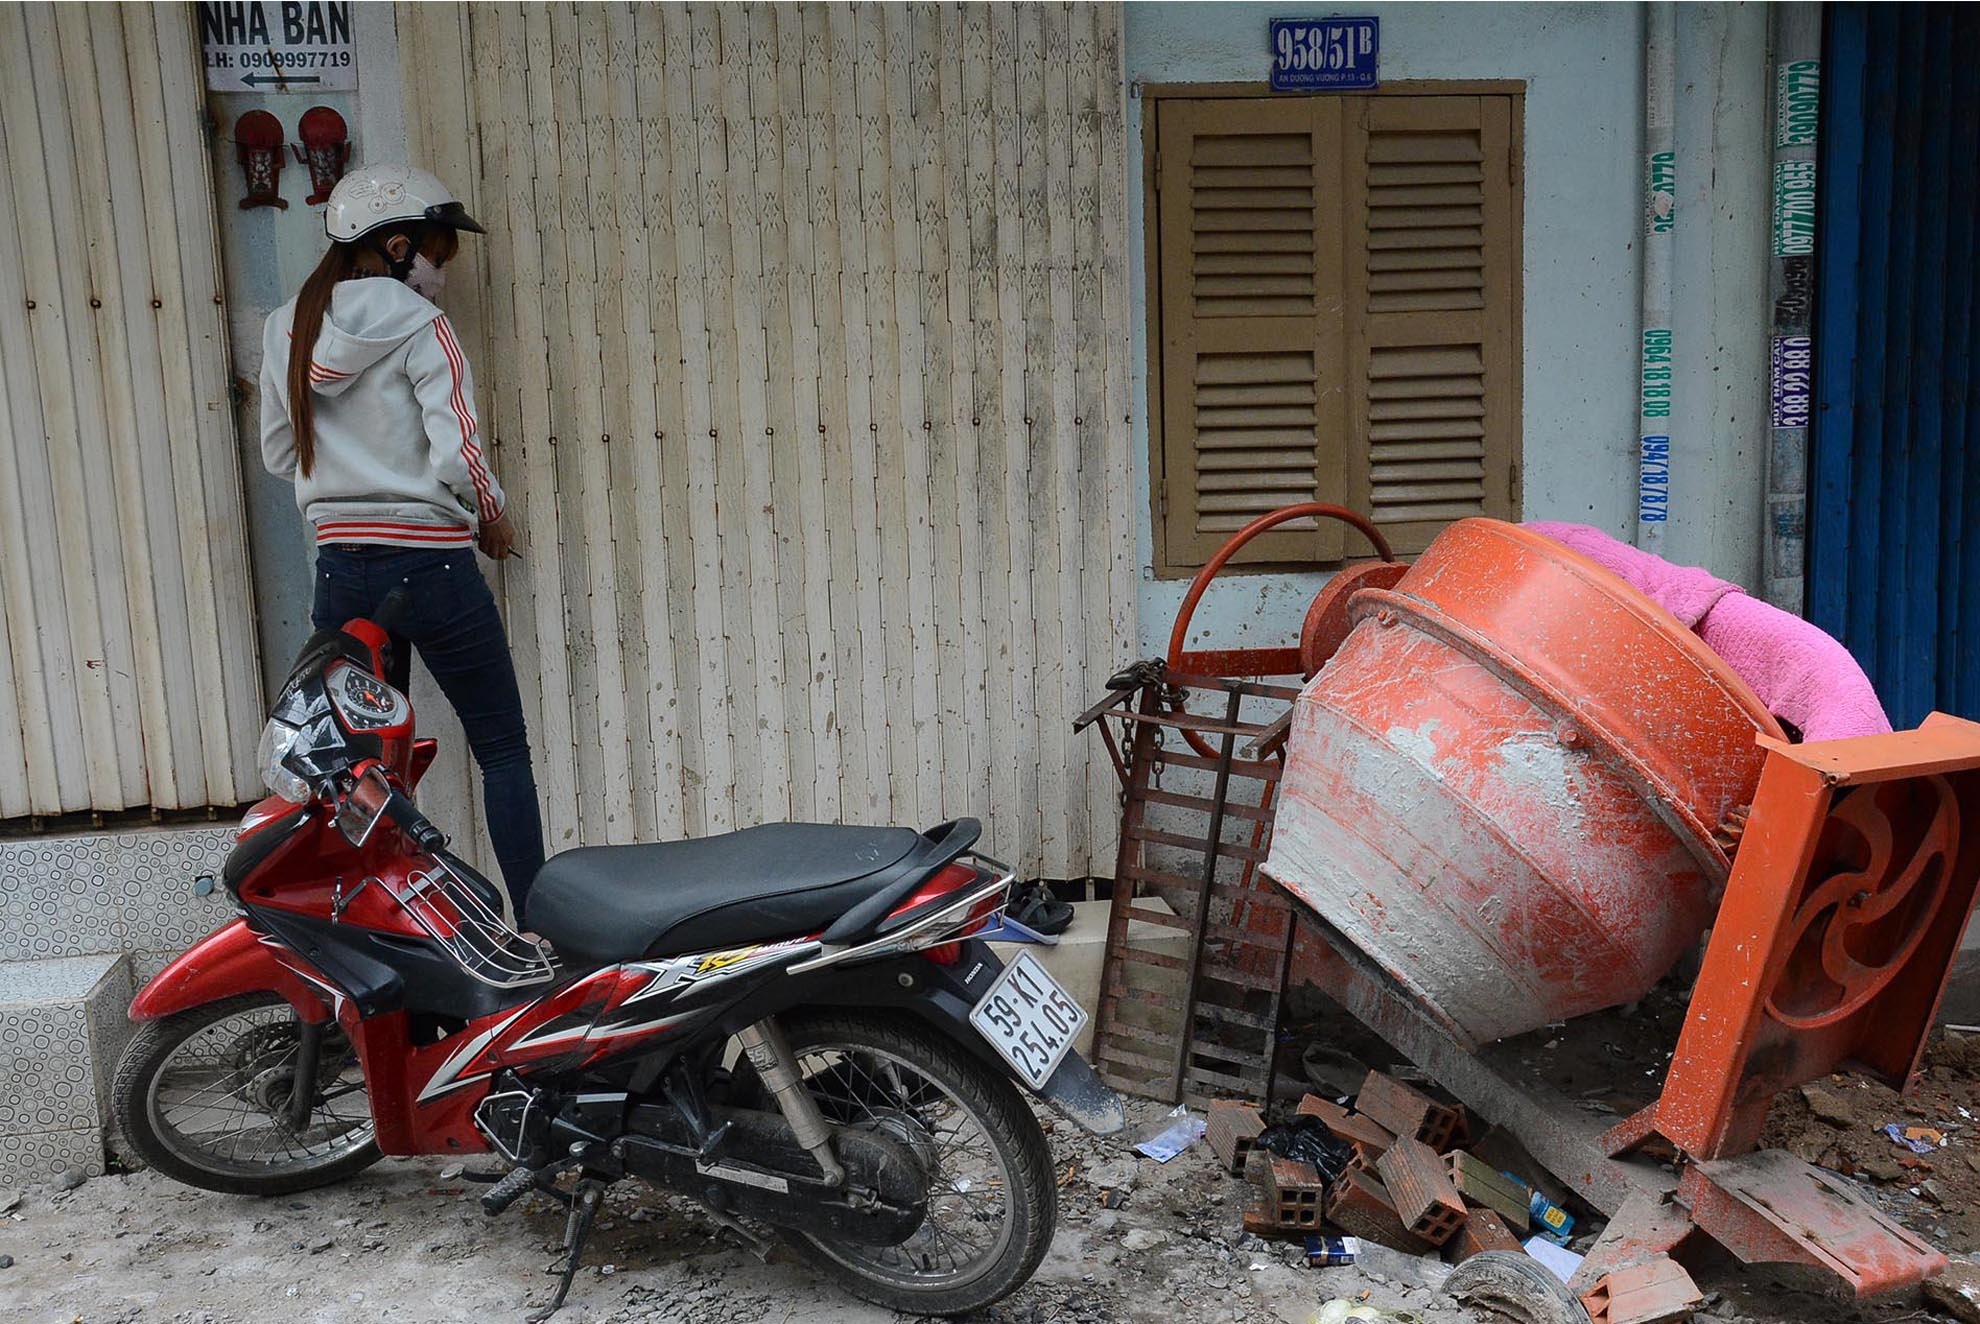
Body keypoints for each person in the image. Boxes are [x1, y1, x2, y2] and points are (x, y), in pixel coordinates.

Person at [258, 162, 545, 914]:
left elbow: (281, 455)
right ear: (393, 245)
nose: (441, 274)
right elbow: (459, 456)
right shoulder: (425, 326)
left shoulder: (285, 326)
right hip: (435, 566)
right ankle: (549, 935)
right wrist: (493, 515)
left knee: (361, 771)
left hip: (343, 573)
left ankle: (383, 930)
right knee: (503, 752)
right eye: (437, 254)